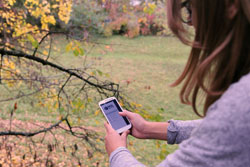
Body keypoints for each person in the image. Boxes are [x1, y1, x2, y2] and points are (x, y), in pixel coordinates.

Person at [104, 0, 250, 166]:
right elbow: (223, 131)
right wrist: (147, 128)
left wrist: (116, 152)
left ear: (230, 5)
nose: (191, 21)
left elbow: (228, 124)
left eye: (190, 8)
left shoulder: (242, 103)